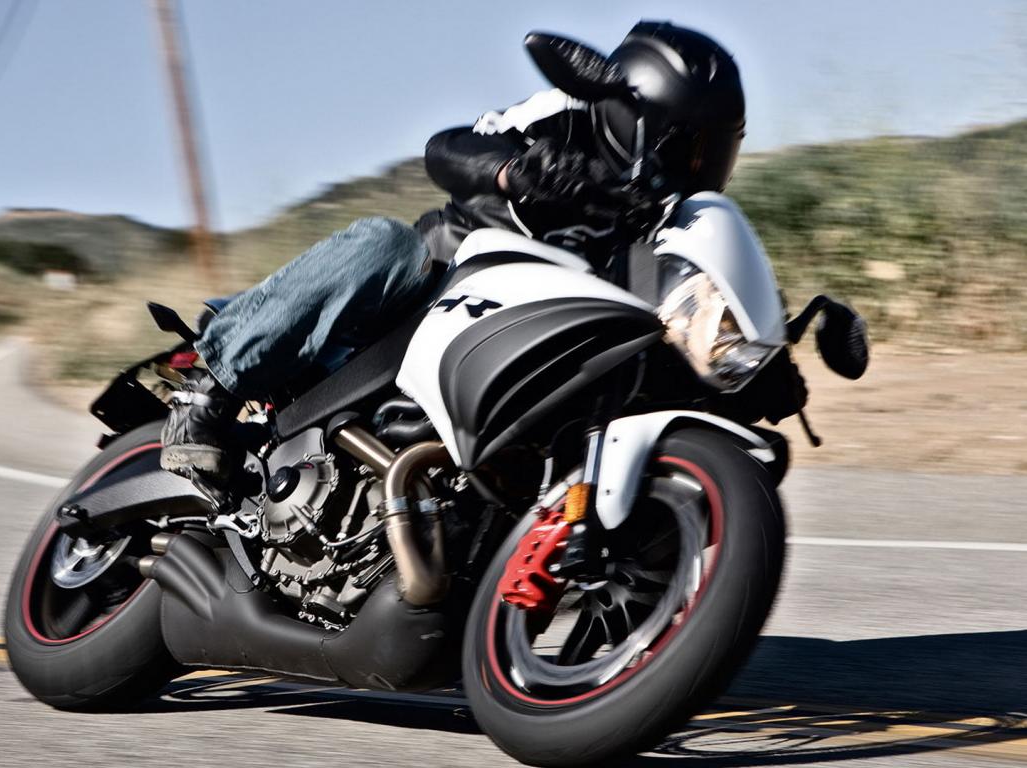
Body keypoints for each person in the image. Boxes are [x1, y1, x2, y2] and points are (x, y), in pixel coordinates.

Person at [160, 20, 747, 501]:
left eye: (715, 151)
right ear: (641, 119)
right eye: (689, 146)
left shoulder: (664, 227)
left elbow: (686, 310)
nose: (699, 168)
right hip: (438, 291)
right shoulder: (565, 119)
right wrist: (514, 170)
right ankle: (207, 392)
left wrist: (758, 360)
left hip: (530, 349)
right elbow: (447, 148)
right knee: (386, 243)